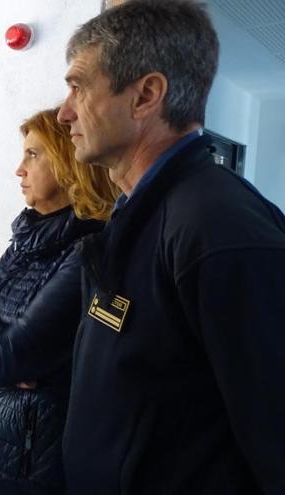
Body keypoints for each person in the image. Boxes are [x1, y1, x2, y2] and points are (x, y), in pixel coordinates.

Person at [56, 1, 285, 493]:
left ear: (146, 96)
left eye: (78, 86)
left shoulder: (218, 229)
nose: (64, 112)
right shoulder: (141, 214)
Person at [0, 108, 117, 495]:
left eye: (33, 155)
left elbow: (9, 355)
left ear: (71, 162)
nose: (19, 169)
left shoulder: (88, 250)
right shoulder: (27, 241)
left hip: (25, 469)